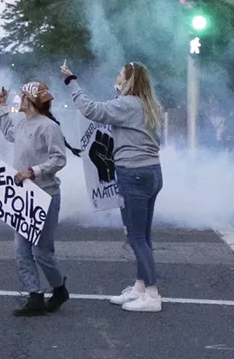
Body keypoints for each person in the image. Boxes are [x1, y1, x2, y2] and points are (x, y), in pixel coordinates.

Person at [61, 60, 164, 313]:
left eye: (120, 75)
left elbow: (90, 110)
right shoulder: (149, 105)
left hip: (133, 174)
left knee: (135, 236)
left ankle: (152, 295)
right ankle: (141, 287)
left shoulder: (127, 105)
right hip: (152, 172)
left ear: (128, 80)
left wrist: (71, 81)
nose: (116, 77)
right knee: (144, 236)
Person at [0, 82, 81, 317]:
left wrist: (32, 171)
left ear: (32, 101)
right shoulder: (23, 124)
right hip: (24, 195)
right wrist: (2, 106)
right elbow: (8, 133)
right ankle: (34, 295)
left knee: (42, 251)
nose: (19, 100)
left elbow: (59, 159)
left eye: (23, 96)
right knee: (21, 247)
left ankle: (59, 289)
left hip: (45, 194)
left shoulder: (49, 127)